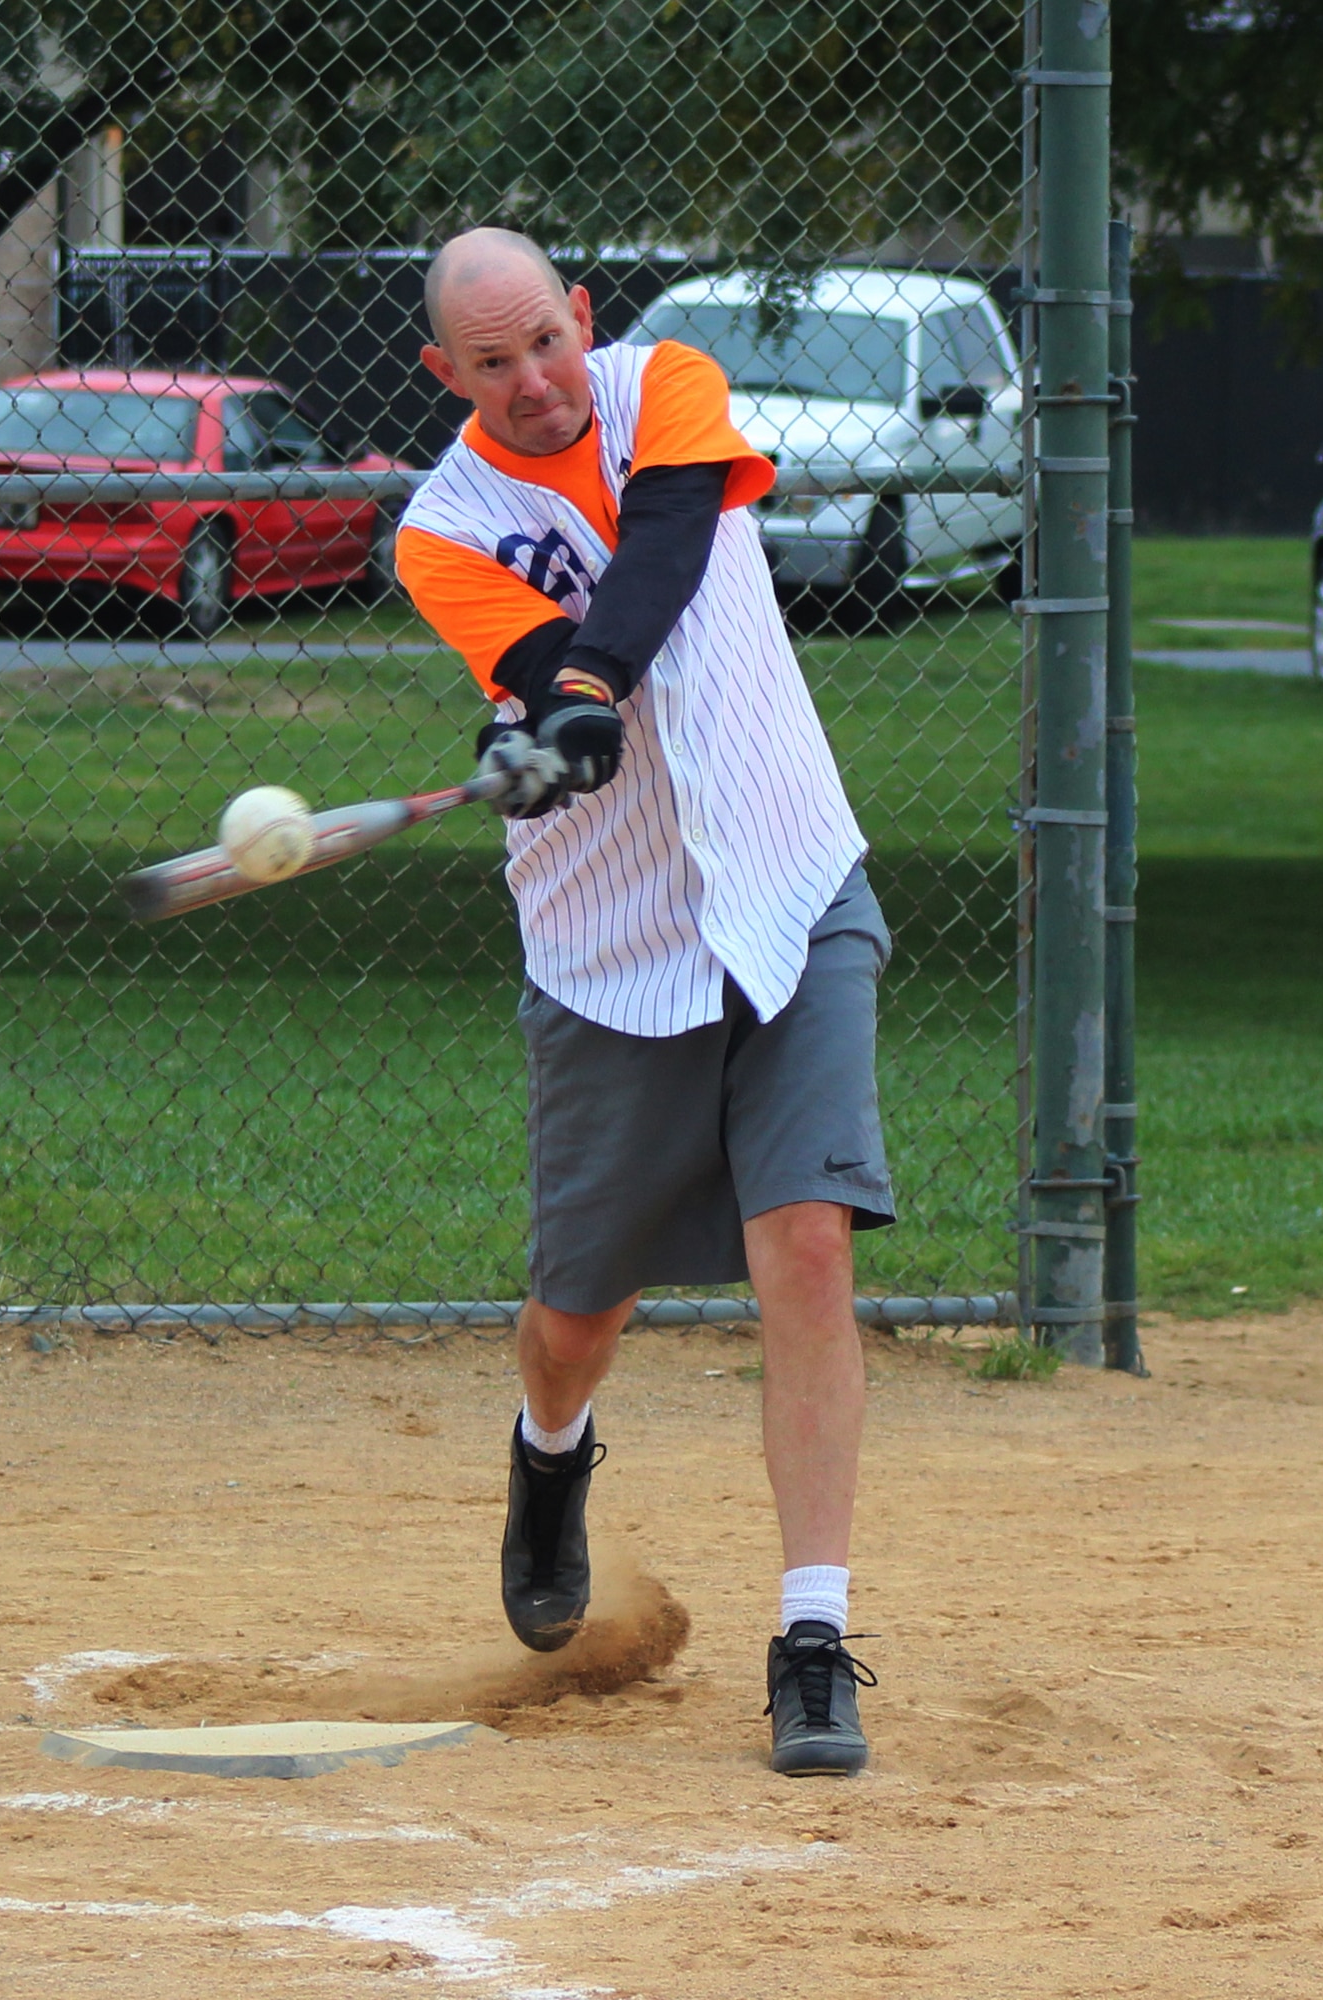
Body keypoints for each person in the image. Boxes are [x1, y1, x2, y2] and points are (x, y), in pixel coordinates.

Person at [396, 228, 891, 1776]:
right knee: (576, 1317)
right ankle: (552, 1460)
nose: (534, 382)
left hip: (795, 891)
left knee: (804, 1244)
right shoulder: (442, 531)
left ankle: (813, 1640)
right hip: (611, 951)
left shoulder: (666, 386)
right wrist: (557, 707)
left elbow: (670, 547)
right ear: (447, 374)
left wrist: (595, 683)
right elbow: (536, 659)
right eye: (493, 362)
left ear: (581, 318)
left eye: (546, 339)